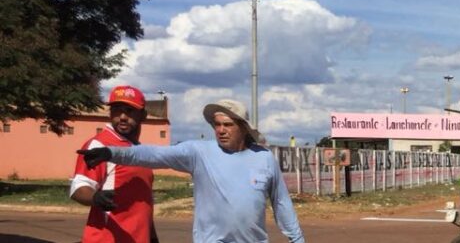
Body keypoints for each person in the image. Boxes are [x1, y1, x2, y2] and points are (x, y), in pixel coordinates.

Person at [77, 99, 305, 243]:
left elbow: (282, 203)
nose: (221, 130)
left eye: (228, 125)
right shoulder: (198, 152)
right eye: (217, 125)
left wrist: (297, 239)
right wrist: (112, 153)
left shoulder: (264, 158)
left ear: (244, 128)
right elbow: (154, 155)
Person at [69, 85, 158, 243]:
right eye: (116, 110)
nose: (122, 117)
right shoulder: (99, 146)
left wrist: (152, 237)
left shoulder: (139, 151)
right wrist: (95, 197)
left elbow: (145, 203)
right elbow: (78, 188)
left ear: (143, 115)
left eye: (129, 111)